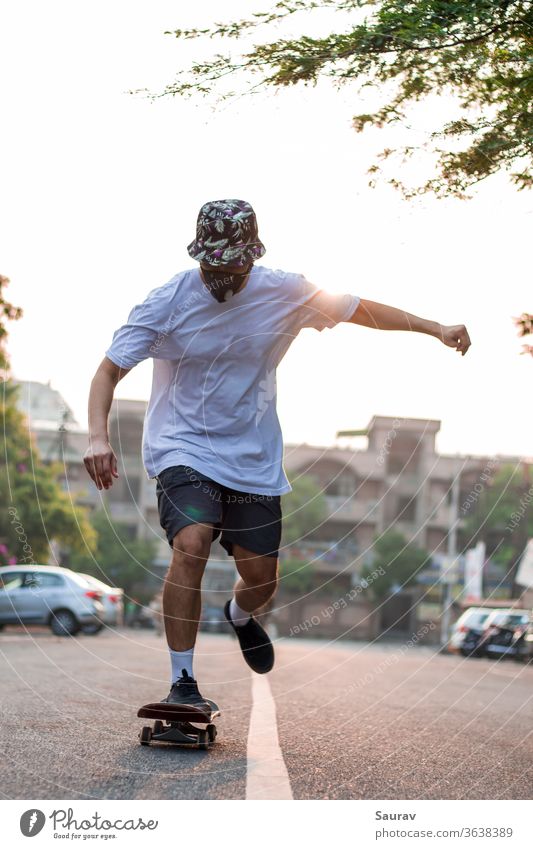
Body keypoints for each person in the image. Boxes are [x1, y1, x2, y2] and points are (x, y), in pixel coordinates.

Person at [83, 198, 471, 711]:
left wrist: (434, 327)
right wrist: (97, 437)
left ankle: (242, 615)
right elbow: (108, 370)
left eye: (232, 266)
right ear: (199, 256)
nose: (220, 277)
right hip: (183, 446)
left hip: (252, 459)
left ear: (251, 258)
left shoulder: (286, 291)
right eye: (211, 265)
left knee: (262, 581)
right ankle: (182, 681)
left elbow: (360, 309)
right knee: (191, 542)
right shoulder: (168, 301)